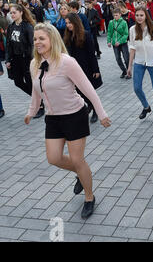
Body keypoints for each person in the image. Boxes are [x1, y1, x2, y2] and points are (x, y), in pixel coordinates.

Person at [24, 22, 111, 219]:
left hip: (74, 115)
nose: (37, 42)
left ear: (52, 40)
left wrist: (102, 112)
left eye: (42, 39)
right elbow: (36, 91)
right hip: (53, 118)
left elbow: (87, 88)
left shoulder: (66, 62)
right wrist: (31, 111)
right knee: (53, 158)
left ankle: (89, 197)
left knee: (77, 159)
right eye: (35, 39)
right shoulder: (34, 64)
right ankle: (81, 174)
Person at [6, 4, 45, 118]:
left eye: (14, 12)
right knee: (17, 82)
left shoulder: (27, 27)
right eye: (11, 13)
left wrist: (34, 60)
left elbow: (33, 45)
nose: (12, 15)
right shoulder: (11, 27)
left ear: (21, 12)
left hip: (27, 59)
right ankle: (39, 99)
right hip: (16, 59)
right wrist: (8, 59)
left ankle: (40, 105)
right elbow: (8, 44)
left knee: (30, 82)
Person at [64, 13, 103, 124]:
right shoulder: (67, 36)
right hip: (73, 69)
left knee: (88, 91)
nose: (68, 25)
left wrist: (96, 70)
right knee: (78, 91)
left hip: (86, 68)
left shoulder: (85, 34)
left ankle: (95, 110)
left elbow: (91, 54)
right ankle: (90, 106)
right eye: (66, 23)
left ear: (75, 22)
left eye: (70, 23)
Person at [107, 8, 130, 79]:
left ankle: (129, 72)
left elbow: (126, 34)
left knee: (126, 58)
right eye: (114, 15)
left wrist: (120, 41)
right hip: (115, 44)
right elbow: (109, 33)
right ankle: (124, 71)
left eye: (116, 15)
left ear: (120, 14)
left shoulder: (124, 22)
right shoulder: (111, 22)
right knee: (118, 58)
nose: (115, 17)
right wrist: (109, 41)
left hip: (123, 43)